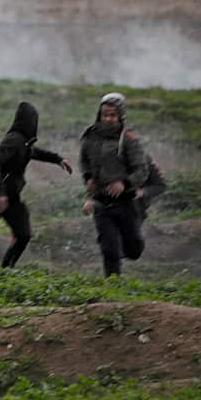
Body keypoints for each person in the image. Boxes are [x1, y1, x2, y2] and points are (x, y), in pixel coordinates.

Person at [0, 102, 73, 268]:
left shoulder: (25, 144)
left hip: (11, 198)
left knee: (23, 235)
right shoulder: (14, 140)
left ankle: (6, 270)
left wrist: (58, 159)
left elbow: (35, 152)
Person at [80, 93, 149, 277]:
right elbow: (84, 161)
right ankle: (113, 285)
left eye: (112, 115)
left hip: (126, 202)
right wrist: (88, 178)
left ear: (120, 116)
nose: (108, 119)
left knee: (134, 249)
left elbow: (141, 170)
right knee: (109, 249)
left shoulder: (128, 139)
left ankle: (132, 245)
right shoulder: (90, 136)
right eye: (105, 115)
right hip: (101, 202)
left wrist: (124, 183)